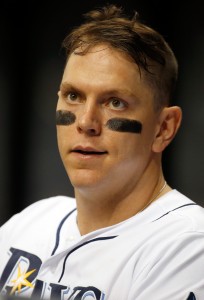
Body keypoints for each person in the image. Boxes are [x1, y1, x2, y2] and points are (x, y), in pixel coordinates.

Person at [0, 4, 204, 300]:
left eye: (115, 102)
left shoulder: (187, 246)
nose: (86, 122)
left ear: (163, 128)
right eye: (73, 96)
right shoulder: (31, 222)